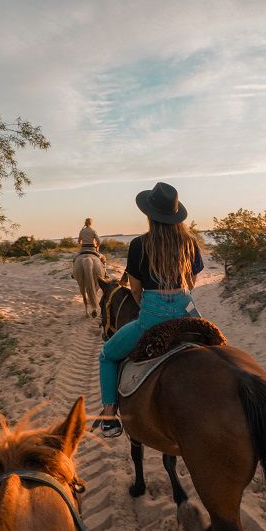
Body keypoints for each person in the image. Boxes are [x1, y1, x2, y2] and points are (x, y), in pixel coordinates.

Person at [98, 182, 203, 438]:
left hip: (152, 317)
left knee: (107, 355)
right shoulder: (190, 243)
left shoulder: (138, 245)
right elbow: (191, 283)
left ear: (149, 215)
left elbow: (135, 290)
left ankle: (110, 416)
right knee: (214, 342)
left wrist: (151, 304)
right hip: (186, 312)